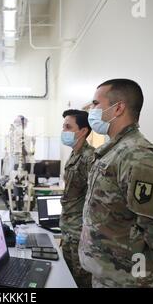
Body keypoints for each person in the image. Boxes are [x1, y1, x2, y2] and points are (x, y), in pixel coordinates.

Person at [79, 79, 153, 287]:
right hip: (110, 275)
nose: (91, 110)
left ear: (117, 108)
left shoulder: (137, 156)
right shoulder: (114, 152)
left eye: (95, 104)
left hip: (132, 280)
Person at [60, 109, 94, 288]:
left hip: (80, 233)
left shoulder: (90, 158)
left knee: (81, 281)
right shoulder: (74, 154)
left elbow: (95, 198)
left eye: (68, 127)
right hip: (68, 229)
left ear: (82, 131)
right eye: (63, 127)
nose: (63, 131)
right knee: (68, 279)